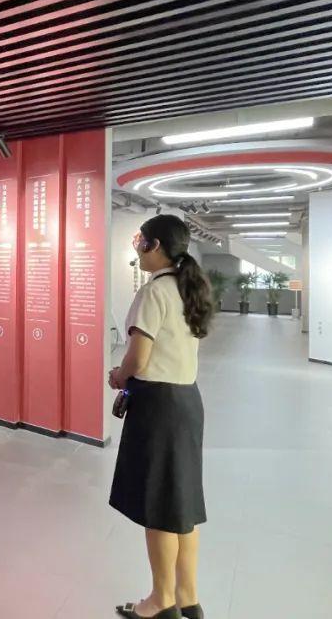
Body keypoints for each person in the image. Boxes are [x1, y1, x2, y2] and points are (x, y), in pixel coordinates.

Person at [109, 215, 212, 619]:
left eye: (141, 243)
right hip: (187, 401)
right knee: (181, 504)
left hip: (158, 407)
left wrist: (119, 376)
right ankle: (188, 597)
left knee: (159, 509)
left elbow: (138, 358)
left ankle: (160, 601)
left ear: (155, 247)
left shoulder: (154, 292)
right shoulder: (188, 287)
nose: (137, 250)